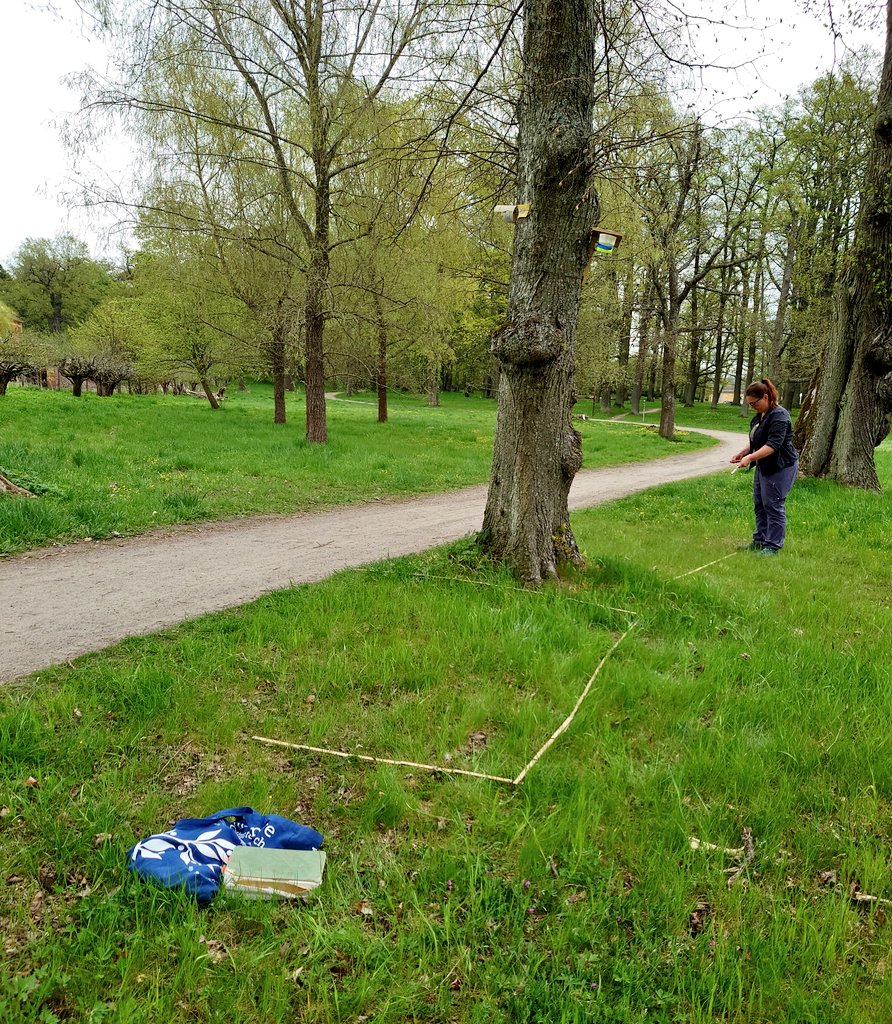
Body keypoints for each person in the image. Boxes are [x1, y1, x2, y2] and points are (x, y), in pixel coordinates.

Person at [730, 378, 800, 555]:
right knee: (760, 504)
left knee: (773, 505)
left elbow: (773, 445)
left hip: (781, 466)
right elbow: (757, 440)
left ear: (766, 397)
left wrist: (750, 458)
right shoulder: (759, 416)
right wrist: (743, 453)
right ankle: (759, 540)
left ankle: (773, 546)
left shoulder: (780, 416)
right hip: (764, 465)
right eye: (750, 404)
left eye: (754, 403)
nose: (753, 407)